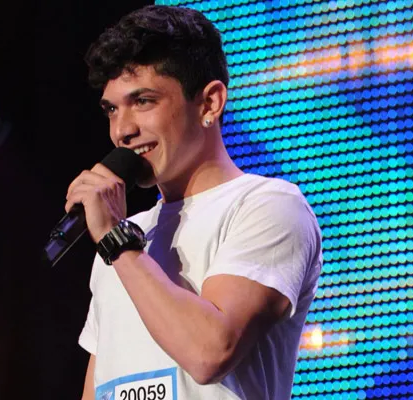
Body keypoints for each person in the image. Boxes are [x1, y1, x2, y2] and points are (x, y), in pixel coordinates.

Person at [64, 5, 323, 400]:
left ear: (209, 103)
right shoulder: (125, 239)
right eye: (112, 109)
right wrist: (117, 242)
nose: (122, 130)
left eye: (143, 101)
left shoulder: (267, 206)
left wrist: (116, 241)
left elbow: (209, 353)